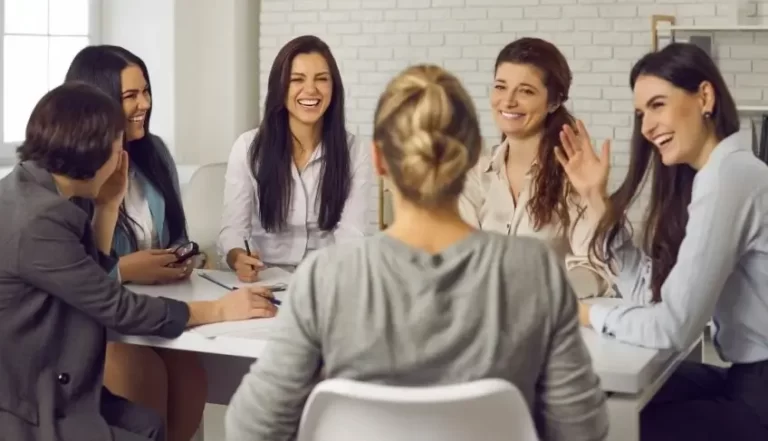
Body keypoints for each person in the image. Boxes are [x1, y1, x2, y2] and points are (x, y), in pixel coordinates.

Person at [225, 64, 608, 441]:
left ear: (377, 160)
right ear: (472, 153)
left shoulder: (325, 277)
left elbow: (251, 429)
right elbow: (583, 430)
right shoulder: (534, 270)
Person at [0, 82, 277, 441]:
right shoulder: (41, 220)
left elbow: (90, 277)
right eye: (117, 148)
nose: (121, 158)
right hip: (28, 404)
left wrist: (107, 205)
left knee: (148, 424)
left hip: (42, 383)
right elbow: (115, 306)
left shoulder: (30, 190)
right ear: (92, 152)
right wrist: (219, 311)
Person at [555, 43, 768, 440]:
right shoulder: (715, 176)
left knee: (611, 426)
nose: (647, 126)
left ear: (704, 97)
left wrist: (586, 315)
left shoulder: (730, 179)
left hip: (760, 394)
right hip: (746, 378)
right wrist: (596, 201)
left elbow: (672, 328)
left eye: (657, 105)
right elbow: (654, 295)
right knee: (601, 401)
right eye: (641, 114)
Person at [65, 45, 207, 441]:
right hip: (101, 323)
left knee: (189, 371)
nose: (143, 104)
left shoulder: (154, 154)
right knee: (141, 370)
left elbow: (175, 231)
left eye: (146, 92)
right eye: (131, 96)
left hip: (150, 306)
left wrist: (184, 254)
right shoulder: (74, 175)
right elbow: (73, 272)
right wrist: (126, 269)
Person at [459, 38, 613, 298]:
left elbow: (596, 270)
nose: (508, 101)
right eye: (500, 87)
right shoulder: (475, 174)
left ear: (553, 102)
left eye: (526, 91)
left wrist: (540, 291)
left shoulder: (574, 175)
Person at [218, 35, 372, 281]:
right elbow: (233, 230)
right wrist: (238, 257)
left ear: (334, 88)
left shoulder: (354, 151)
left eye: (321, 79)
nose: (310, 90)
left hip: (326, 279)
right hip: (264, 278)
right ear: (281, 88)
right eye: (297, 80)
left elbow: (352, 236)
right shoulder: (248, 147)